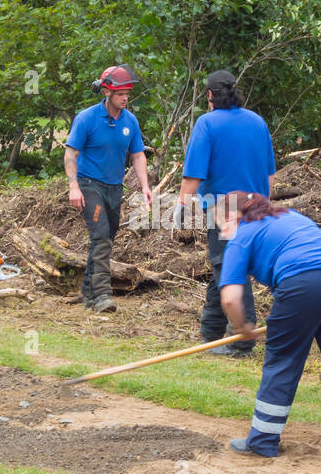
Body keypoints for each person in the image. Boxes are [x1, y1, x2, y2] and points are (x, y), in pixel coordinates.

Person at [215, 191, 321, 458]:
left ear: (235, 216)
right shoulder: (289, 216)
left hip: (303, 286)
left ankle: (262, 442)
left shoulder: (242, 236)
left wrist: (242, 328)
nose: (222, 232)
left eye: (221, 223)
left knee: (283, 361)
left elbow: (230, 298)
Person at [174, 70, 276, 356]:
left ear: (209, 95)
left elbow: (193, 175)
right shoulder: (257, 121)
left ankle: (242, 340)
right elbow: (269, 174)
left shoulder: (206, 123)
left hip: (224, 209)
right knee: (225, 265)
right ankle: (211, 331)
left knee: (229, 267)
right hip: (257, 206)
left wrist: (181, 206)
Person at [65, 65, 153, 313]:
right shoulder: (87, 118)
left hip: (115, 188)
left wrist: (145, 186)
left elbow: (137, 155)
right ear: (106, 92)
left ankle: (88, 293)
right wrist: (73, 187)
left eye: (127, 93)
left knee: (105, 238)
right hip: (89, 184)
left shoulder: (130, 121)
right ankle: (102, 295)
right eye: (120, 94)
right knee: (101, 234)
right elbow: (71, 153)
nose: (125, 98)